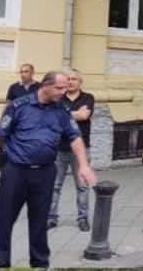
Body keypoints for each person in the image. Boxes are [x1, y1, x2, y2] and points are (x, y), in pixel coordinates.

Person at [0, 71, 97, 268]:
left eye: (66, 87)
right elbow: (2, 135)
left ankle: (40, 263)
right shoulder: (18, 106)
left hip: (45, 172)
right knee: (5, 219)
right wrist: (15, 156)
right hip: (16, 172)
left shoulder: (62, 111)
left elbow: (75, 137)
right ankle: (0, 263)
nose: (63, 91)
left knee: (40, 220)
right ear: (45, 85)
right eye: (59, 88)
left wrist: (83, 165)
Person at [47, 69, 95, 231]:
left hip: (81, 150)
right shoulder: (59, 97)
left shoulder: (88, 97)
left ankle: (83, 218)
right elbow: (54, 116)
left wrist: (66, 114)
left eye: (74, 79)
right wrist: (75, 113)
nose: (70, 82)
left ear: (80, 82)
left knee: (82, 186)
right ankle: (51, 217)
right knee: (54, 185)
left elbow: (84, 116)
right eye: (68, 79)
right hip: (59, 148)